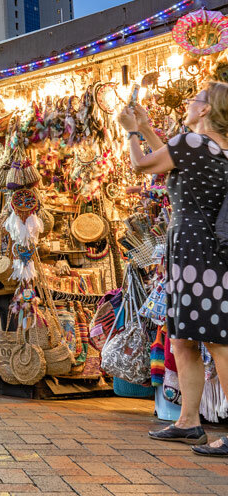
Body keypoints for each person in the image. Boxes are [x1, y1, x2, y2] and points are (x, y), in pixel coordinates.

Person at [119, 83, 228, 456]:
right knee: (184, 337)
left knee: (215, 340)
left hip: (196, 250)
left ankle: (194, 422)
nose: (188, 102)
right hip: (202, 250)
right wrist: (147, 128)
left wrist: (131, 132)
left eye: (195, 99)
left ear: (205, 111)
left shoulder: (197, 145)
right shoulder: (212, 148)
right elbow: (170, 154)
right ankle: (188, 421)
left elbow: (142, 164)